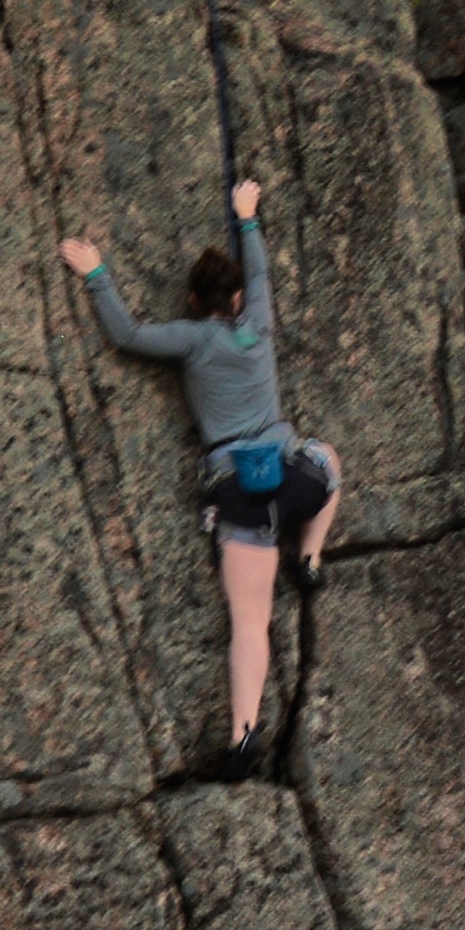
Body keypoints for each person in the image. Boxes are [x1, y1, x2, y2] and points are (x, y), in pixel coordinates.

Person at [62, 178, 349, 777]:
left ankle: (244, 737)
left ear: (195, 300)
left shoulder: (190, 340)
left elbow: (129, 334)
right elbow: (262, 276)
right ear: (240, 298)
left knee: (250, 622)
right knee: (329, 459)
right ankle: (313, 558)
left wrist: (96, 274)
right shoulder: (260, 321)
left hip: (238, 490)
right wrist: (248, 218)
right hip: (294, 476)